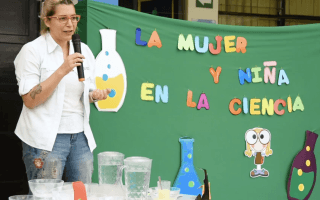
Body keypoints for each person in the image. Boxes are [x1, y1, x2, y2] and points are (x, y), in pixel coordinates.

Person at [14, 0, 109, 193]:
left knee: (82, 194)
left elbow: (84, 91)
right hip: (45, 139)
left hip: (80, 137)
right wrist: (62, 70)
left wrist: (95, 95)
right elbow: (30, 99)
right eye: (63, 18)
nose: (70, 24)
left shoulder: (83, 50)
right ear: (47, 21)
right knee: (46, 197)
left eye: (74, 18)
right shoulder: (32, 51)